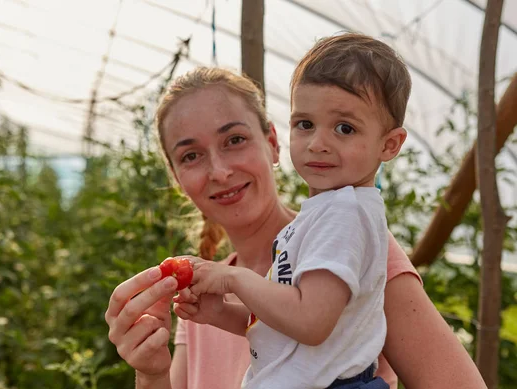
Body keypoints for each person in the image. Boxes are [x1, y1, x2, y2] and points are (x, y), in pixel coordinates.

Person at [104, 39, 487, 389]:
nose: (219, 171)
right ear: (177, 178)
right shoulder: (205, 302)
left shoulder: (351, 236)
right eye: (191, 155)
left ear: (272, 143)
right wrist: (152, 373)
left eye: (234, 140)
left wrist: (232, 280)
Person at [170, 32, 409, 389]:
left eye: (344, 127)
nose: (317, 143)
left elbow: (310, 322)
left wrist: (236, 280)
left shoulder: (345, 215)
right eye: (305, 124)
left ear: (389, 144)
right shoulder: (323, 215)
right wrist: (222, 313)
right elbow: (283, 331)